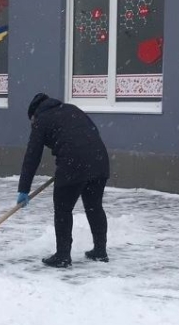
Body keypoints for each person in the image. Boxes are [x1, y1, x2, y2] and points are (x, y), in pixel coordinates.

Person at [16, 92, 110, 268]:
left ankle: (63, 256)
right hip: (99, 160)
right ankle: (100, 250)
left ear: (34, 114)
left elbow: (32, 155)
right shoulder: (71, 109)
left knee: (62, 209)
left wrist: (24, 188)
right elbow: (91, 132)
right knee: (94, 206)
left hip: (73, 163)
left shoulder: (41, 120)